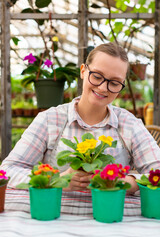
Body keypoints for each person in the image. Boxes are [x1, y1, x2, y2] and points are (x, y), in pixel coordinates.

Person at [1, 42, 160, 195]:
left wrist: (120, 182)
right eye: (97, 76)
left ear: (122, 85)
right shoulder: (50, 119)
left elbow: (157, 171)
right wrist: (57, 180)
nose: (103, 87)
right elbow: (9, 170)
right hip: (55, 215)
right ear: (83, 71)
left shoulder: (129, 123)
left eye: (115, 82)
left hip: (112, 214)